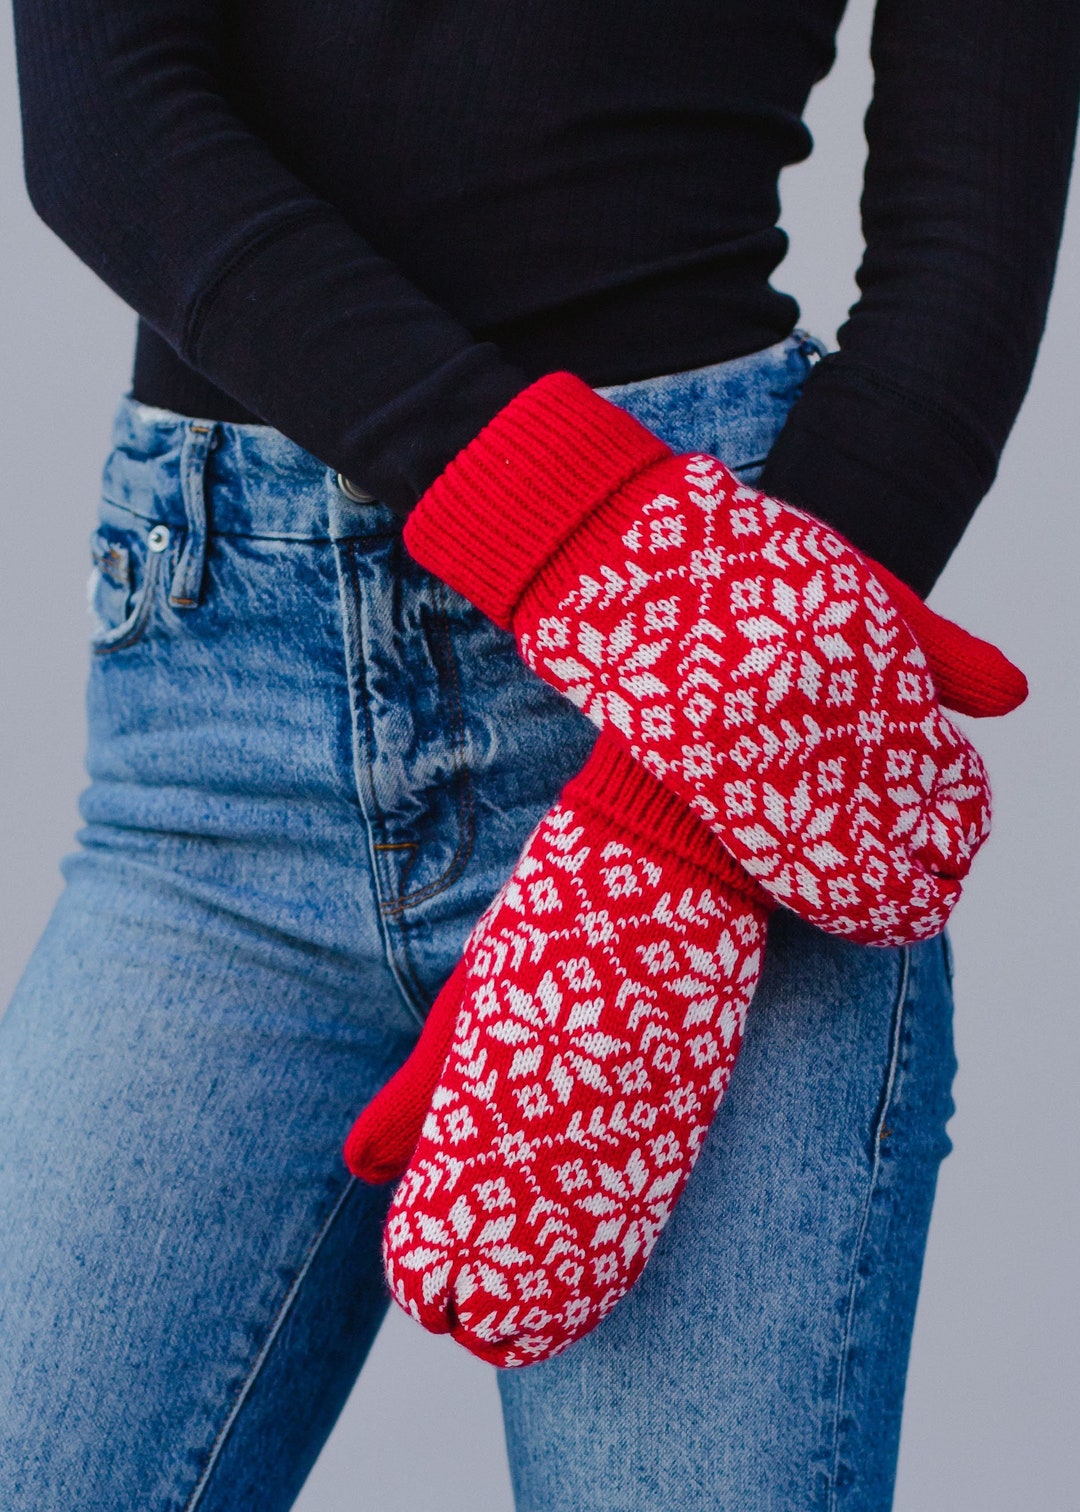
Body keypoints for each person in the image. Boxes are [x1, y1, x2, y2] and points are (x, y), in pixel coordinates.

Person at [1, 0, 1076, 1506]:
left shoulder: (710, 735)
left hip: (714, 690)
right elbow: (104, 130)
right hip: (228, 754)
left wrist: (688, 783)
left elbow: (966, 240)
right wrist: (572, 526)